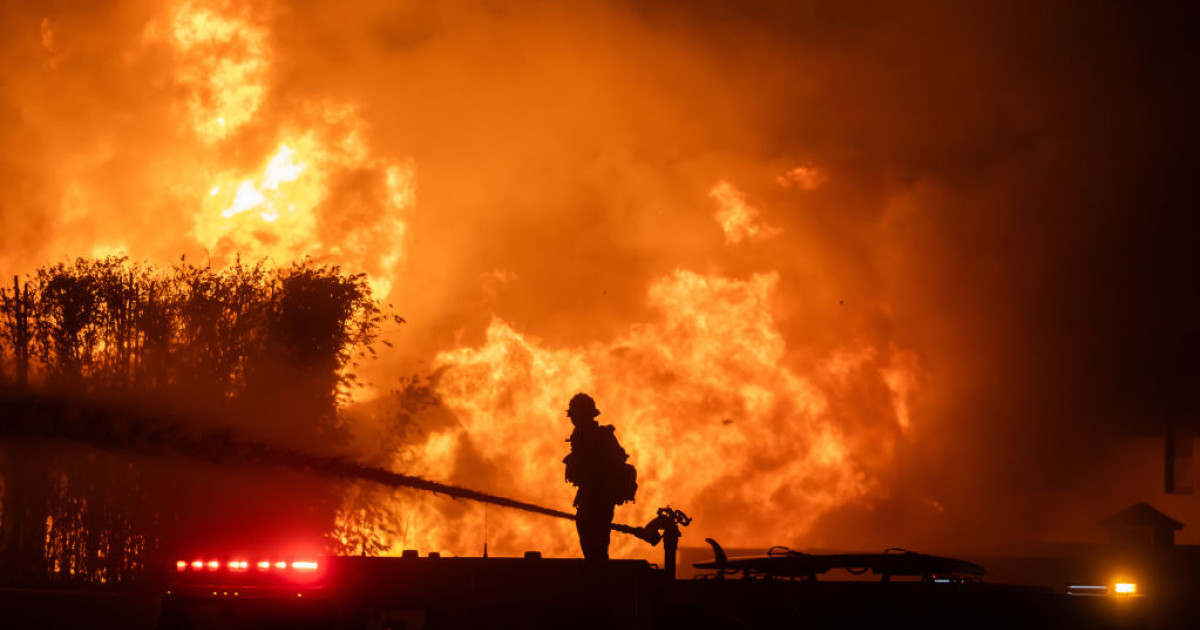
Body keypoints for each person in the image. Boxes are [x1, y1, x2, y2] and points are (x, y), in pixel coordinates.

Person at [562, 393, 635, 561]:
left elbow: (609, 468)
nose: (573, 420)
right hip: (590, 498)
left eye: (576, 415)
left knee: (596, 548)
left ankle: (599, 578)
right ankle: (597, 573)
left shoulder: (600, 437)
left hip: (599, 500)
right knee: (592, 548)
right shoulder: (583, 437)